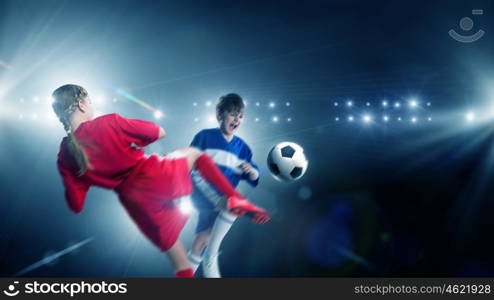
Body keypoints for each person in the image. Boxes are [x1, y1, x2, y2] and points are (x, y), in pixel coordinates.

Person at [52, 84, 270, 278]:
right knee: (194, 155)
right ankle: (235, 199)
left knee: (178, 258)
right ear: (81, 104)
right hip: (152, 174)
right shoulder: (108, 122)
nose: (91, 106)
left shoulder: (64, 155)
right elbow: (158, 132)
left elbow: (76, 204)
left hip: (134, 202)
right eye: (89, 102)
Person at [187, 93, 263, 277]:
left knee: (201, 240)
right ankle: (211, 256)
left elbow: (253, 173)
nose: (237, 119)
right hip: (202, 192)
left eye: (240, 116)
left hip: (221, 200)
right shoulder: (205, 137)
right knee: (233, 205)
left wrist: (253, 172)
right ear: (219, 114)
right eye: (232, 114)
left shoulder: (242, 148)